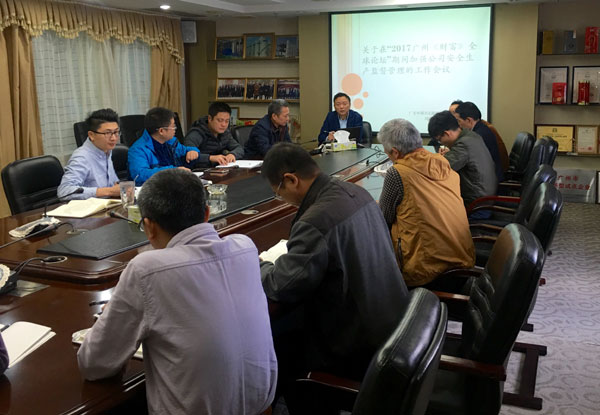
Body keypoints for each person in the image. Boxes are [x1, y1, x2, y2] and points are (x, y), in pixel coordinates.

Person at [77, 169, 277, 415]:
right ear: (207, 214)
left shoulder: (146, 270)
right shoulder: (244, 246)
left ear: (148, 227)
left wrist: (112, 316)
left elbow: (94, 364)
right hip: (262, 408)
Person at [260, 143, 408, 413]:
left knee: (278, 348)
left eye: (278, 192)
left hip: (358, 346)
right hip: (390, 325)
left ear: (291, 180)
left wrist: (260, 265)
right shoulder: (357, 192)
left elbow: (281, 285)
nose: (281, 198)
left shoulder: (315, 220)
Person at [378, 118, 475, 287]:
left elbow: (383, 218)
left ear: (395, 152)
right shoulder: (442, 162)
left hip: (425, 270)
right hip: (461, 258)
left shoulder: (397, 173)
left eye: (387, 153)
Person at [428, 110, 497, 216]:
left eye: (439, 140)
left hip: (476, 205)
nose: (441, 143)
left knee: (432, 210)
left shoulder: (463, 145)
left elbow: (438, 170)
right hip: (485, 197)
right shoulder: (471, 136)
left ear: (447, 133)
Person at [57, 109, 121, 200]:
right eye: (107, 133)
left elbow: (113, 184)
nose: (114, 138)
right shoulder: (82, 157)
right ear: (91, 135)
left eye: (116, 132)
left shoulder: (106, 150)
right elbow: (64, 191)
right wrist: (109, 191)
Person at [128, 107, 200, 185]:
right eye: (173, 126)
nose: (175, 129)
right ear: (161, 131)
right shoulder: (138, 150)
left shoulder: (170, 142)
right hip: (152, 190)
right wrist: (173, 171)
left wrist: (193, 151)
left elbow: (186, 150)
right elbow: (140, 175)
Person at [450, 99, 509, 173]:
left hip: (489, 176)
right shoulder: (481, 127)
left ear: (468, 120)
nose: (458, 125)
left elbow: (462, 160)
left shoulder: (478, 136)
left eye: (459, 121)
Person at [184, 102, 244, 166]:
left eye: (227, 121)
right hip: (199, 169)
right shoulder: (197, 132)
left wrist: (233, 154)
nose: (224, 125)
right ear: (210, 119)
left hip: (219, 168)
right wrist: (210, 158)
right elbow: (189, 154)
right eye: (220, 120)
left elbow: (239, 148)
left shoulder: (225, 133)